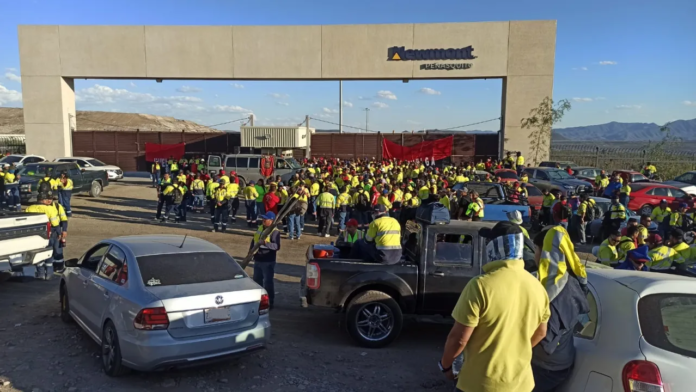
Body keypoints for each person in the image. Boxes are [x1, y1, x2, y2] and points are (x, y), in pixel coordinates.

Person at [440, 221, 550, 392]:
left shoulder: (480, 285)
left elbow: (459, 338)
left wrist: (446, 366)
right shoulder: (537, 287)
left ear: (494, 247)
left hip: (480, 383)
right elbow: (541, 332)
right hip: (521, 384)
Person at [531, 226, 589, 392]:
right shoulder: (573, 280)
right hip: (562, 361)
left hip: (545, 365)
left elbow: (542, 334)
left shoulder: (549, 289)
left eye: (536, 250)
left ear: (545, 254)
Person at [26, 193, 63, 279]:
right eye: (47, 199)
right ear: (43, 200)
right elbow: (55, 223)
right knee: (48, 253)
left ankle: (40, 274)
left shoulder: (29, 208)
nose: (49, 201)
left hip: (34, 235)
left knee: (38, 254)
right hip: (47, 234)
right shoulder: (49, 209)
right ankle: (49, 274)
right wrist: (59, 233)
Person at [251, 211, 281, 309]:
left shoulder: (275, 232)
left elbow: (276, 246)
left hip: (268, 261)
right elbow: (254, 240)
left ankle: (270, 302)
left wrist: (265, 243)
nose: (263, 220)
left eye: (266, 219)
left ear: (271, 221)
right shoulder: (260, 228)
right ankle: (258, 302)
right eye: (263, 218)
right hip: (258, 259)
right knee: (257, 281)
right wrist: (250, 252)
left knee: (268, 282)